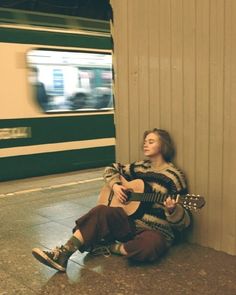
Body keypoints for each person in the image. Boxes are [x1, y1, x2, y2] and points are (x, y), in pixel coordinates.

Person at [32, 128, 191, 272]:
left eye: (151, 141)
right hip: (129, 224)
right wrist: (115, 186)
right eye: (145, 142)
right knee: (100, 210)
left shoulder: (174, 177)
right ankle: (63, 253)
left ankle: (108, 247)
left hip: (155, 231)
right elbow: (110, 169)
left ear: (163, 146)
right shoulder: (139, 167)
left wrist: (173, 211)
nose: (145, 145)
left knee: (150, 246)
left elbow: (184, 223)